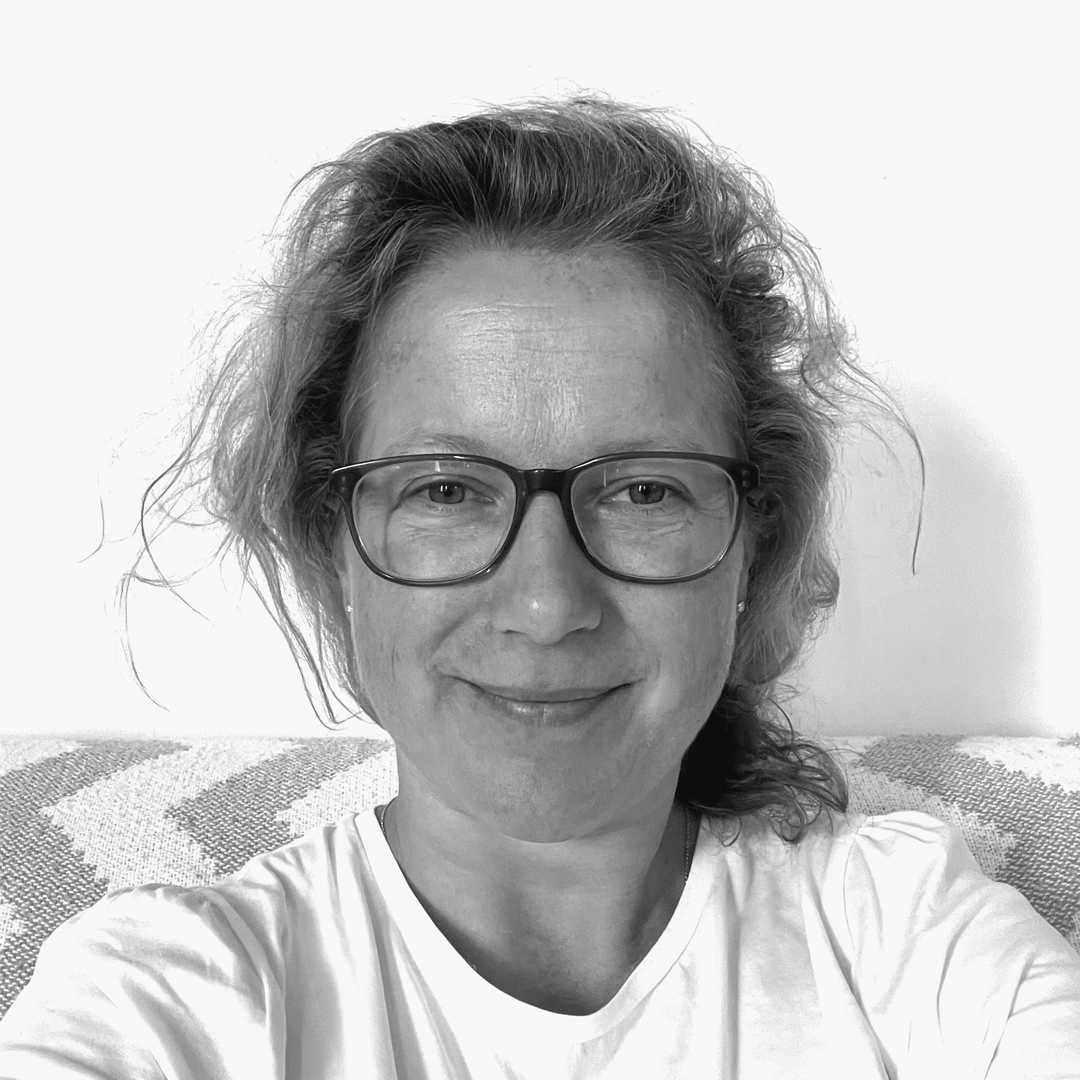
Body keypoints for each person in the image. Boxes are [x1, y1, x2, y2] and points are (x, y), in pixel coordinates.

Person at [2, 97, 1078, 1078]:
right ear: (336, 554)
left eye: (646, 490)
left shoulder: (915, 940)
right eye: (446, 490)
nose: (547, 604)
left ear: (754, 554)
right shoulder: (163, 998)